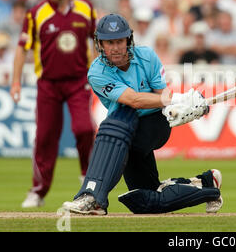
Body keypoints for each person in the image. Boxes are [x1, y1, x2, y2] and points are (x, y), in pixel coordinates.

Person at [61, 13, 223, 215]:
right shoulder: (97, 72)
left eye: (119, 41)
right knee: (146, 200)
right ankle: (206, 186)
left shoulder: (147, 56)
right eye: (109, 42)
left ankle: (92, 197)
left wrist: (183, 107)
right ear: (100, 44)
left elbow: (161, 96)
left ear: (128, 40)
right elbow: (133, 100)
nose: (115, 47)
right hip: (125, 134)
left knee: (114, 124)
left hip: (153, 124)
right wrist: (175, 99)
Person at [10, 0, 97, 208]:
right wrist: (15, 80)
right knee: (46, 136)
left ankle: (89, 180)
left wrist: (97, 71)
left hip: (79, 81)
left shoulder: (85, 8)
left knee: (83, 128)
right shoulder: (36, 12)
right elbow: (21, 48)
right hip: (48, 83)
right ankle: (38, 190)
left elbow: (97, 41)